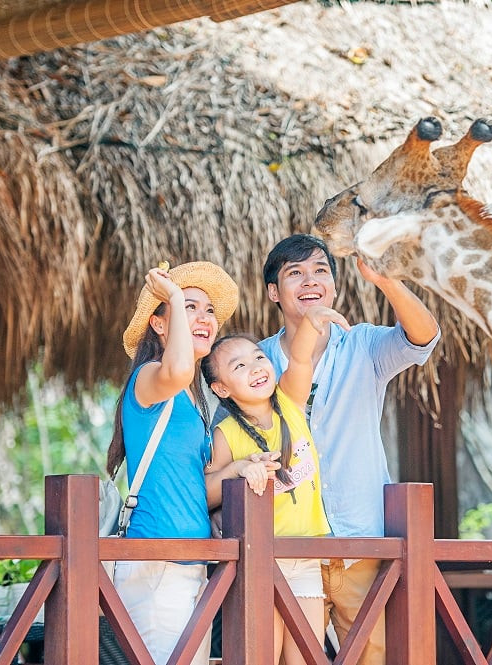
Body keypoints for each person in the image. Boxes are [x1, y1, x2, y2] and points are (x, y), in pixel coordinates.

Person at [259, 234, 440, 664]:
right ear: (273, 292)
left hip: (360, 540)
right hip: (286, 548)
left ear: (335, 287)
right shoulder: (257, 361)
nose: (311, 281)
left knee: (373, 656)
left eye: (321, 271)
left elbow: (424, 338)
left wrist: (388, 281)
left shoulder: (363, 345)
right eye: (295, 273)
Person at [105, 260, 277, 665]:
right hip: (157, 562)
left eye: (209, 311)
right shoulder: (151, 378)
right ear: (159, 325)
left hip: (190, 562)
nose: (204, 318)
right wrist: (173, 294)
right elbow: (179, 367)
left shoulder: (192, 401)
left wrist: (235, 469)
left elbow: (195, 484)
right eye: (189, 309)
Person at [202, 303, 349, 665]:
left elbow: (299, 361)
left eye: (257, 358)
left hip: (306, 556)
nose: (255, 368)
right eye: (239, 367)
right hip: (259, 561)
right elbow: (204, 491)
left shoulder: (289, 402)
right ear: (221, 388)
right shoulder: (226, 433)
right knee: (262, 656)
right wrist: (236, 468)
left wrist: (310, 327)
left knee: (306, 658)